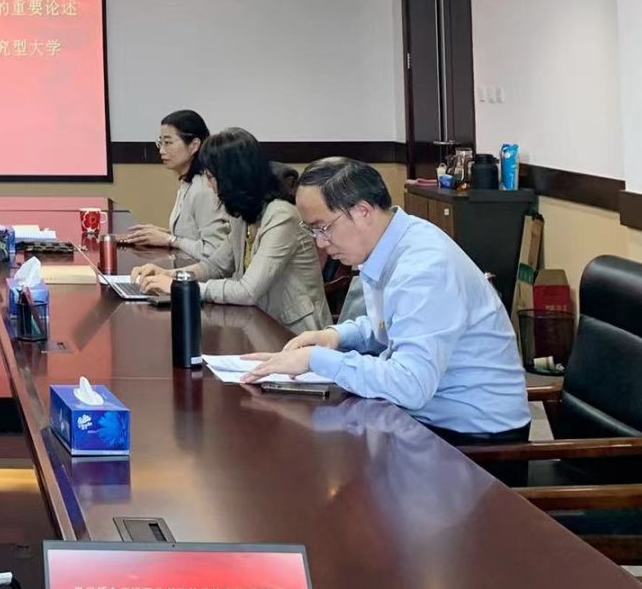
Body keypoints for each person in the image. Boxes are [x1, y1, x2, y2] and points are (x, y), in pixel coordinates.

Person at [243, 158, 531, 445]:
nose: (320, 242)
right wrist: (336, 337)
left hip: (473, 439)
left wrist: (315, 359)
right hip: (428, 418)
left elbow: (411, 384)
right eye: (313, 231)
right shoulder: (393, 243)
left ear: (362, 211)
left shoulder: (423, 266)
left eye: (323, 228)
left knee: (315, 447)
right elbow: (395, 323)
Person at [132, 128, 330, 333]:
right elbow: (216, 266)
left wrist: (183, 289)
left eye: (211, 177)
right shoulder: (244, 214)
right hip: (258, 323)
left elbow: (247, 291)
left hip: (294, 332)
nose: (208, 185)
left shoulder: (281, 216)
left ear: (233, 178)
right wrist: (171, 275)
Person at [115, 109, 230, 263]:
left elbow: (213, 252)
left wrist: (170, 239)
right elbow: (194, 236)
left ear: (194, 145)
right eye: (160, 143)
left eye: (168, 143)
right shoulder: (188, 181)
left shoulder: (204, 189)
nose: (161, 150)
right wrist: (162, 235)